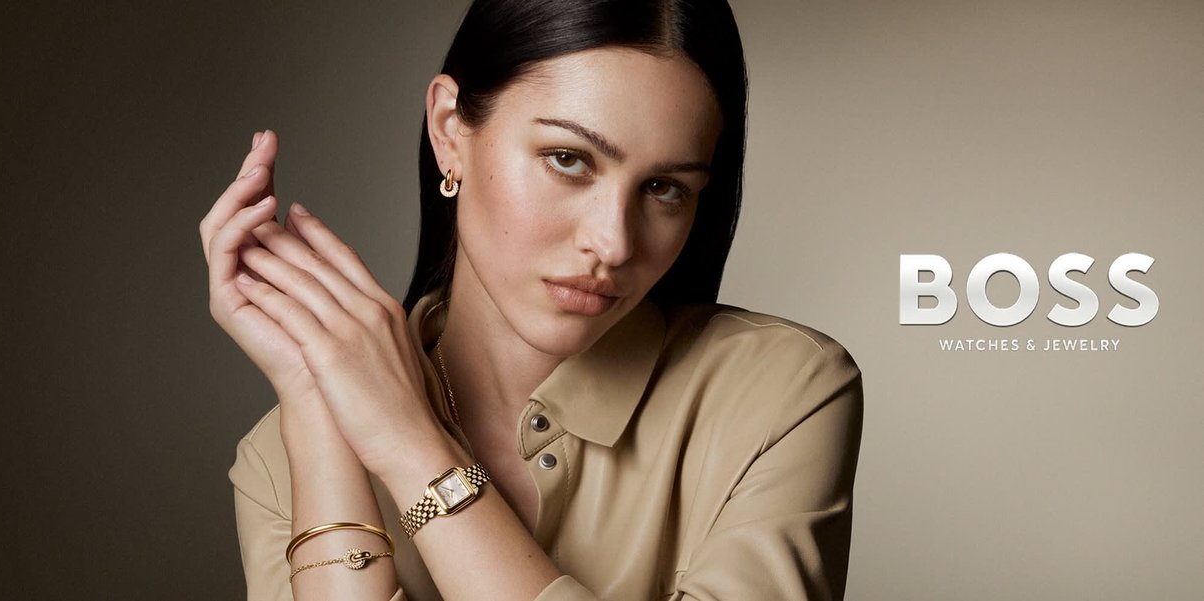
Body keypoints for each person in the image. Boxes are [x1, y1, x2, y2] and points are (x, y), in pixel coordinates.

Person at [202, 1, 863, 599]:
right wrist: (316, 404)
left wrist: (411, 444)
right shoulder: (279, 461)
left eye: (664, 188)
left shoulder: (780, 393)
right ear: (448, 130)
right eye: (569, 159)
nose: (613, 243)